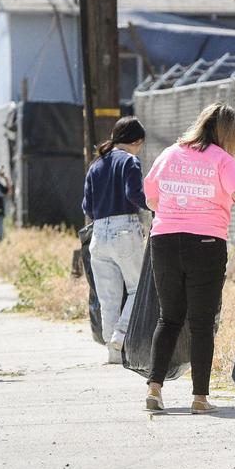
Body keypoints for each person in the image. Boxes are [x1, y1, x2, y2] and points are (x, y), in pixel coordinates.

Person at [142, 103, 235, 413]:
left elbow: (150, 196)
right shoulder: (222, 160)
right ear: (230, 134)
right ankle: (199, 398)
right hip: (206, 243)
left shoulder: (169, 154)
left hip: (165, 241)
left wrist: (170, 212)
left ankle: (155, 389)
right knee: (201, 322)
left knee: (168, 318)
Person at [81, 117, 148, 362]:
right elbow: (135, 194)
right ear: (137, 141)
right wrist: (153, 205)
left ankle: (113, 353)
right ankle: (121, 334)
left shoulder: (96, 165)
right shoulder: (130, 161)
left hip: (98, 233)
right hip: (125, 231)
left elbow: (86, 205)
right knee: (137, 288)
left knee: (108, 296)